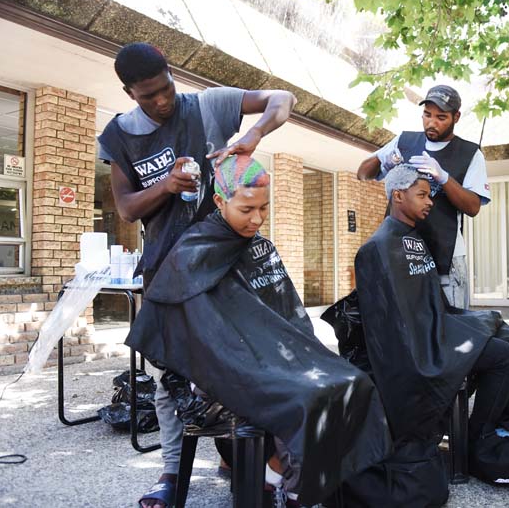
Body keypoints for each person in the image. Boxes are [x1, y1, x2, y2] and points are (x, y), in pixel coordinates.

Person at [97, 41, 297, 508]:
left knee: (246, 366)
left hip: (228, 267)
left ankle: (250, 462)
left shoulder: (209, 105)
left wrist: (256, 134)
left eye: (165, 88)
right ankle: (171, 474)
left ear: (171, 71)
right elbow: (126, 209)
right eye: (148, 96)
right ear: (129, 92)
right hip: (168, 270)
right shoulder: (120, 135)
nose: (162, 101)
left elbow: (282, 99)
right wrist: (166, 186)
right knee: (171, 375)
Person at [126, 155, 391, 507]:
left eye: (264, 209)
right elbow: (190, 330)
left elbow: (287, 315)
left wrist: (299, 353)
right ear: (220, 201)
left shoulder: (260, 248)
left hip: (266, 357)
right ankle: (288, 487)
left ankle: (280, 474)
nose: (257, 219)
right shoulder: (193, 251)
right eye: (247, 209)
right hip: (221, 366)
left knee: (354, 382)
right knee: (305, 399)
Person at [323, 165, 509, 507]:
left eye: (430, 195)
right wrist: (439, 341)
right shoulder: (377, 248)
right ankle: (477, 437)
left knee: (507, 339)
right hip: (415, 350)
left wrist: (457, 326)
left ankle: (479, 432)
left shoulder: (414, 238)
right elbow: (391, 324)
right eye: (422, 195)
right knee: (503, 356)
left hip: (436, 332)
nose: (430, 202)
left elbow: (431, 304)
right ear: (397, 196)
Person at [357, 85, 490, 308]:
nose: (432, 123)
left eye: (441, 117)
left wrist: (444, 177)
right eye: (427, 115)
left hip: (446, 257)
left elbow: (473, 206)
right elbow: (363, 173)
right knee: (408, 325)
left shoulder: (470, 153)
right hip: (401, 252)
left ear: (456, 117)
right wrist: (385, 160)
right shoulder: (405, 141)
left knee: (452, 329)